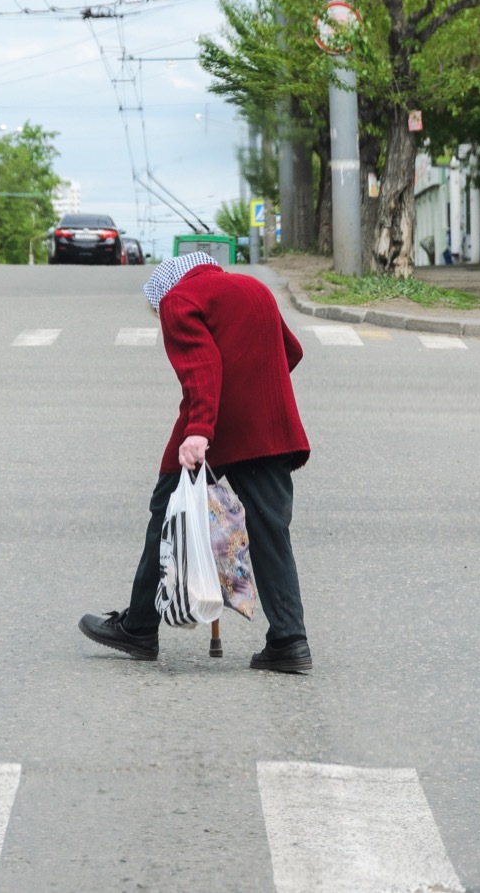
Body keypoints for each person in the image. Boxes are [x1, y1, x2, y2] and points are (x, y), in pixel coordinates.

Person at [79, 252, 313, 673]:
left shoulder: (178, 299)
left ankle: (139, 627)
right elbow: (290, 351)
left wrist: (200, 430)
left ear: (163, 290)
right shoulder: (254, 288)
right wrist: (255, 388)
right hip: (272, 425)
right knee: (270, 531)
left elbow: (203, 367)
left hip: (210, 424)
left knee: (167, 512)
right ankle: (289, 641)